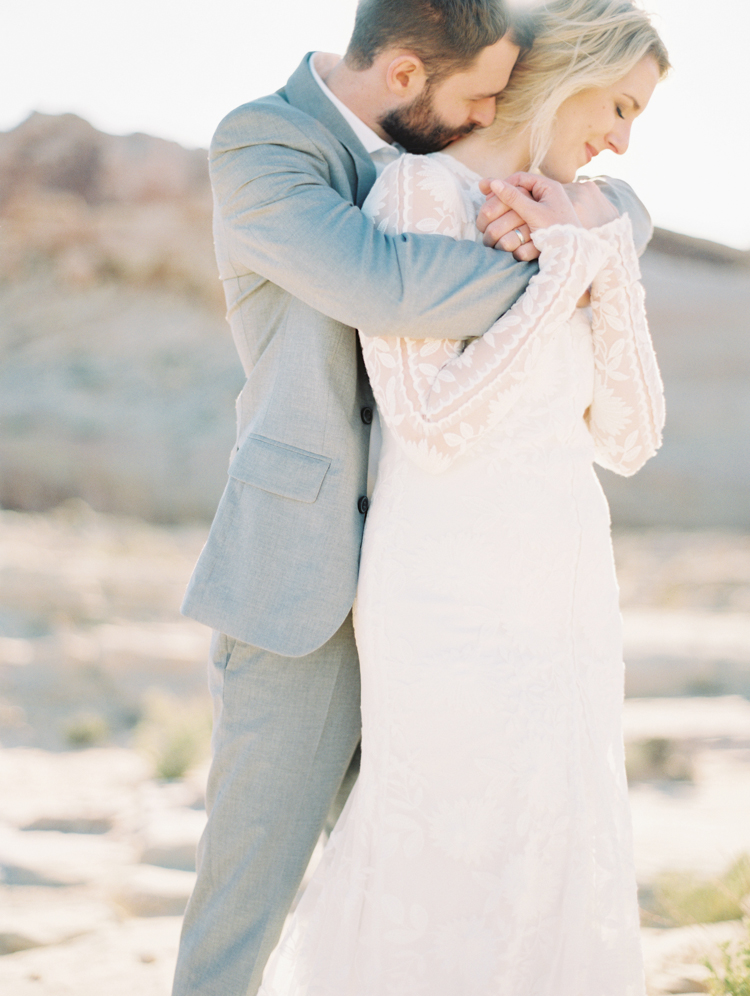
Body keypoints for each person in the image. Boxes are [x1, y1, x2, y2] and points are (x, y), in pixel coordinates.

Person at [173, 1, 653, 993]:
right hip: (301, 572)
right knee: (247, 890)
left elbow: (621, 207)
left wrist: (603, 222)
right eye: (480, 92)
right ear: (404, 76)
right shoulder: (266, 142)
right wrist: (558, 257)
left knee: (435, 883)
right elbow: (381, 285)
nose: (492, 111)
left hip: (452, 580)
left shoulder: (447, 162)